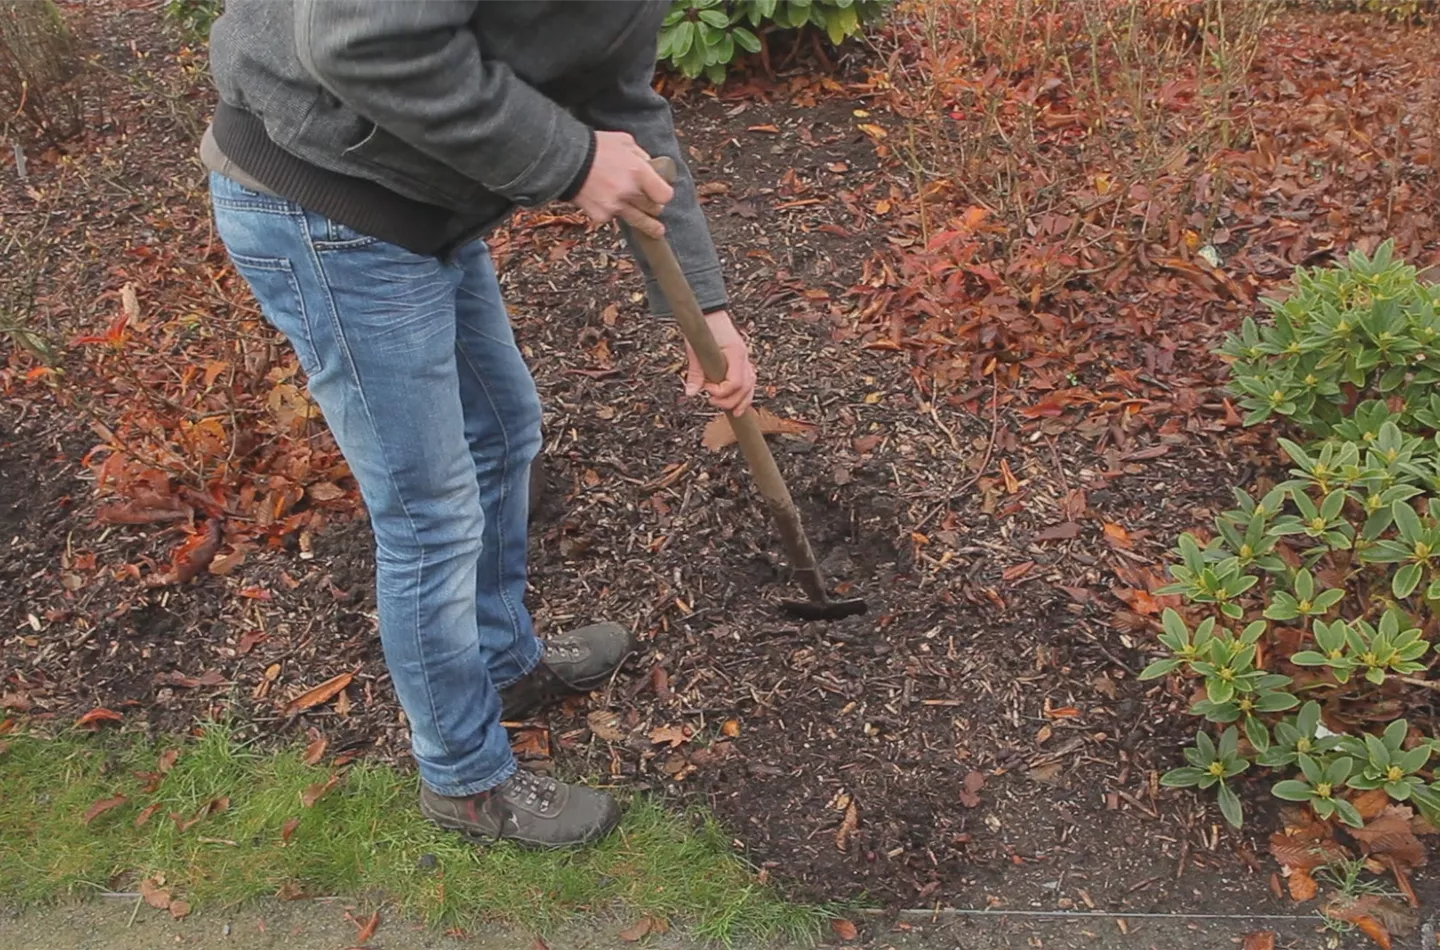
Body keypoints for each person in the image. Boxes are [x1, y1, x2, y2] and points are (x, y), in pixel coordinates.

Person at [200, 0, 757, 849]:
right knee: (430, 513)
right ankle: (462, 777)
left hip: (431, 198)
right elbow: (360, 40)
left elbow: (621, 101)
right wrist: (572, 160)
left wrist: (705, 308)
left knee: (503, 434)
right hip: (324, 204)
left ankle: (501, 661)